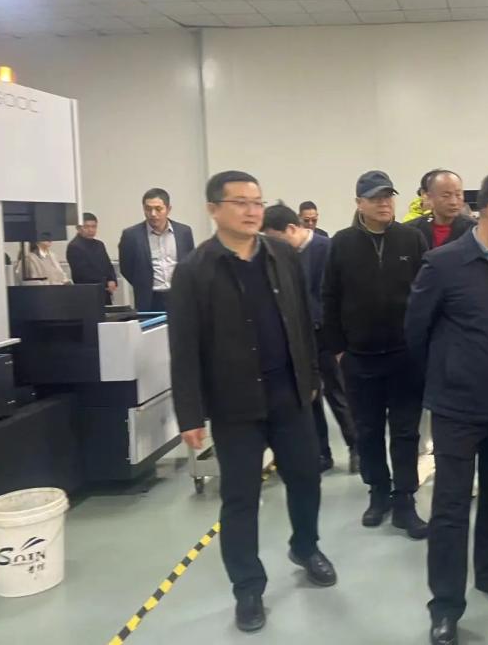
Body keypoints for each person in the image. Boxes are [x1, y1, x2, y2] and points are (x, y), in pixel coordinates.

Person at [169, 171, 336, 634]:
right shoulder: (195, 270)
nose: (251, 211)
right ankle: (247, 587)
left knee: (306, 478)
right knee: (240, 498)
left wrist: (312, 377)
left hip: (290, 396)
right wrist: (190, 413)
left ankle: (305, 546)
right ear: (213, 209)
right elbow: (184, 347)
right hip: (235, 405)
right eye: (240, 202)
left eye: (257, 202)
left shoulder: (282, 255)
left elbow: (302, 320)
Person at [405, 168, 488, 645]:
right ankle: (445, 605)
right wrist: (449, 376)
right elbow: (416, 332)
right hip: (457, 408)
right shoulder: (442, 264)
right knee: (450, 508)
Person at [322, 170, 430, 540]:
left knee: (405, 432)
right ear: (359, 204)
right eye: (375, 198)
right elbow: (329, 297)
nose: (384, 203)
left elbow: (426, 293)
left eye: (388, 196)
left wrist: (422, 344)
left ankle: (405, 500)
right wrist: (339, 350)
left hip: (405, 358)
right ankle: (378, 492)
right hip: (360, 358)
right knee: (367, 431)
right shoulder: (342, 243)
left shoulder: (412, 239)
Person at [262, 201, 358, 475]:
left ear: (292, 229)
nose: (272, 246)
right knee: (309, 396)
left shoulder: (326, 249)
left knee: (338, 395)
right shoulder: (281, 257)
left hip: (327, 336)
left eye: (275, 239)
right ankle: (321, 453)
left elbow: (331, 297)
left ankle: (356, 447)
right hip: (300, 340)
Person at [118, 188, 195, 312]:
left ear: (168, 209)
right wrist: (142, 284)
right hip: (149, 298)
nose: (153, 214)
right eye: (148, 209)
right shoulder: (131, 235)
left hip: (179, 295)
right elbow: (126, 268)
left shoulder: (183, 232)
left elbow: (190, 263)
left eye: (158, 209)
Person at [408, 170, 475, 250]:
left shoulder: (474, 230)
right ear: (428, 197)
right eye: (445, 196)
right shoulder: (411, 231)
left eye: (458, 195)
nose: (453, 202)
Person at [67, 212, 118, 303]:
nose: (91, 230)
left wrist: (112, 279)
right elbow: (82, 273)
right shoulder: (74, 246)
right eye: (86, 227)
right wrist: (106, 282)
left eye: (94, 227)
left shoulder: (99, 244)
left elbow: (108, 265)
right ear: (78, 228)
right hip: (87, 293)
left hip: (104, 291)